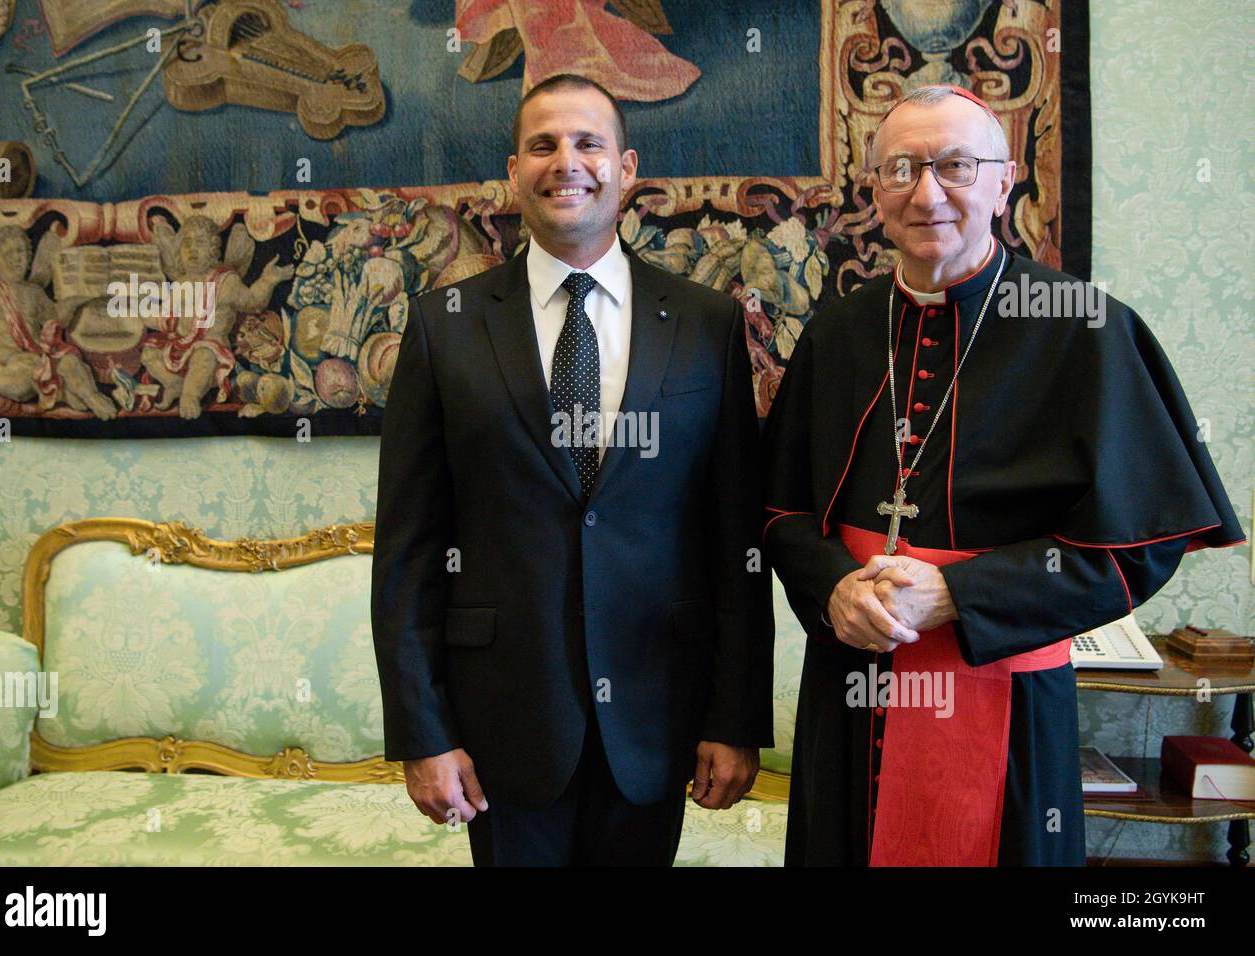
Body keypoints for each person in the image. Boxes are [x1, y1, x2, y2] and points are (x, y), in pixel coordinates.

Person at [763, 84, 1245, 866]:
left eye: (955, 165)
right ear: (874, 190)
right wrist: (832, 588)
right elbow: (779, 512)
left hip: (1006, 700)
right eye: (901, 170)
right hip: (850, 688)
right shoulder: (839, 330)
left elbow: (1139, 548)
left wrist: (959, 594)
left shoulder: (1085, 329)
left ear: (1003, 180)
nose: (926, 194)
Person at [371, 73, 773, 866]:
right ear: (514, 172)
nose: (568, 161)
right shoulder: (442, 329)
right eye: (543, 144)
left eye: (589, 142)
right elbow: (409, 552)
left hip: (657, 717)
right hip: (501, 727)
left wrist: (735, 718)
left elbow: (737, 540)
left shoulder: (706, 324)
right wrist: (423, 733)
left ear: (626, 168)